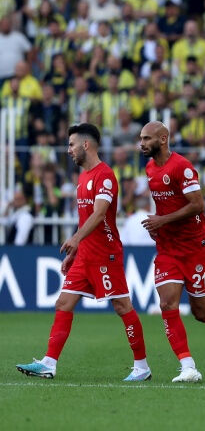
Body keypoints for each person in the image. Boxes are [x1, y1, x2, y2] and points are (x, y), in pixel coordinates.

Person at [16, 123, 150, 382]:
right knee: (63, 303)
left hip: (105, 255)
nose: (69, 150)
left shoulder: (105, 175)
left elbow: (100, 213)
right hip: (85, 255)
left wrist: (76, 239)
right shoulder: (83, 177)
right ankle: (49, 363)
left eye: (71, 145)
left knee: (123, 307)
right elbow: (85, 218)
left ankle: (142, 367)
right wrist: (75, 252)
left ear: (85, 145)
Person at [139, 121, 205, 383]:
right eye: (141, 138)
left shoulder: (182, 167)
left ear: (163, 139)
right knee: (167, 303)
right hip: (167, 248)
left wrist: (162, 220)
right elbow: (164, 205)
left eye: (147, 138)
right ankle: (188, 366)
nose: (141, 143)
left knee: (201, 312)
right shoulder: (150, 168)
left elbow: (197, 205)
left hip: (195, 247)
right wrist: (157, 225)